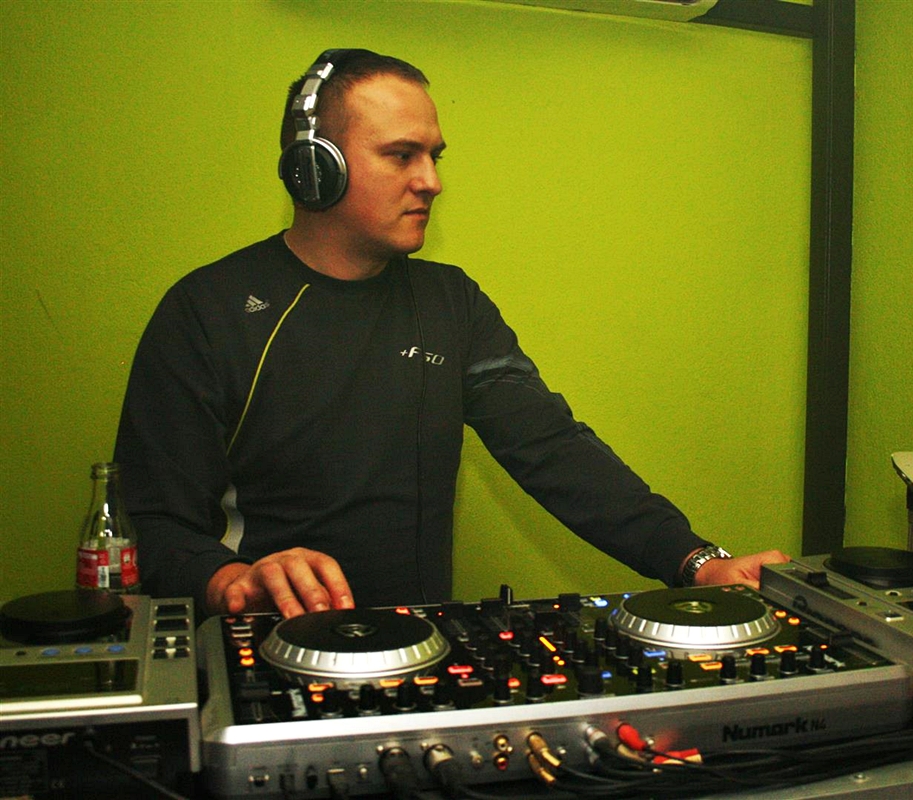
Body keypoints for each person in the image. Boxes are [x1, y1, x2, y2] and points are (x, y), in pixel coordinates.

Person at [114, 49, 788, 619]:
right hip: (262, 656)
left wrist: (697, 562)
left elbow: (552, 449)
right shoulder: (208, 311)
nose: (431, 182)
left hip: (421, 659)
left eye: (434, 156)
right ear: (315, 167)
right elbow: (152, 523)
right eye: (401, 155)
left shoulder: (450, 304)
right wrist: (231, 578)